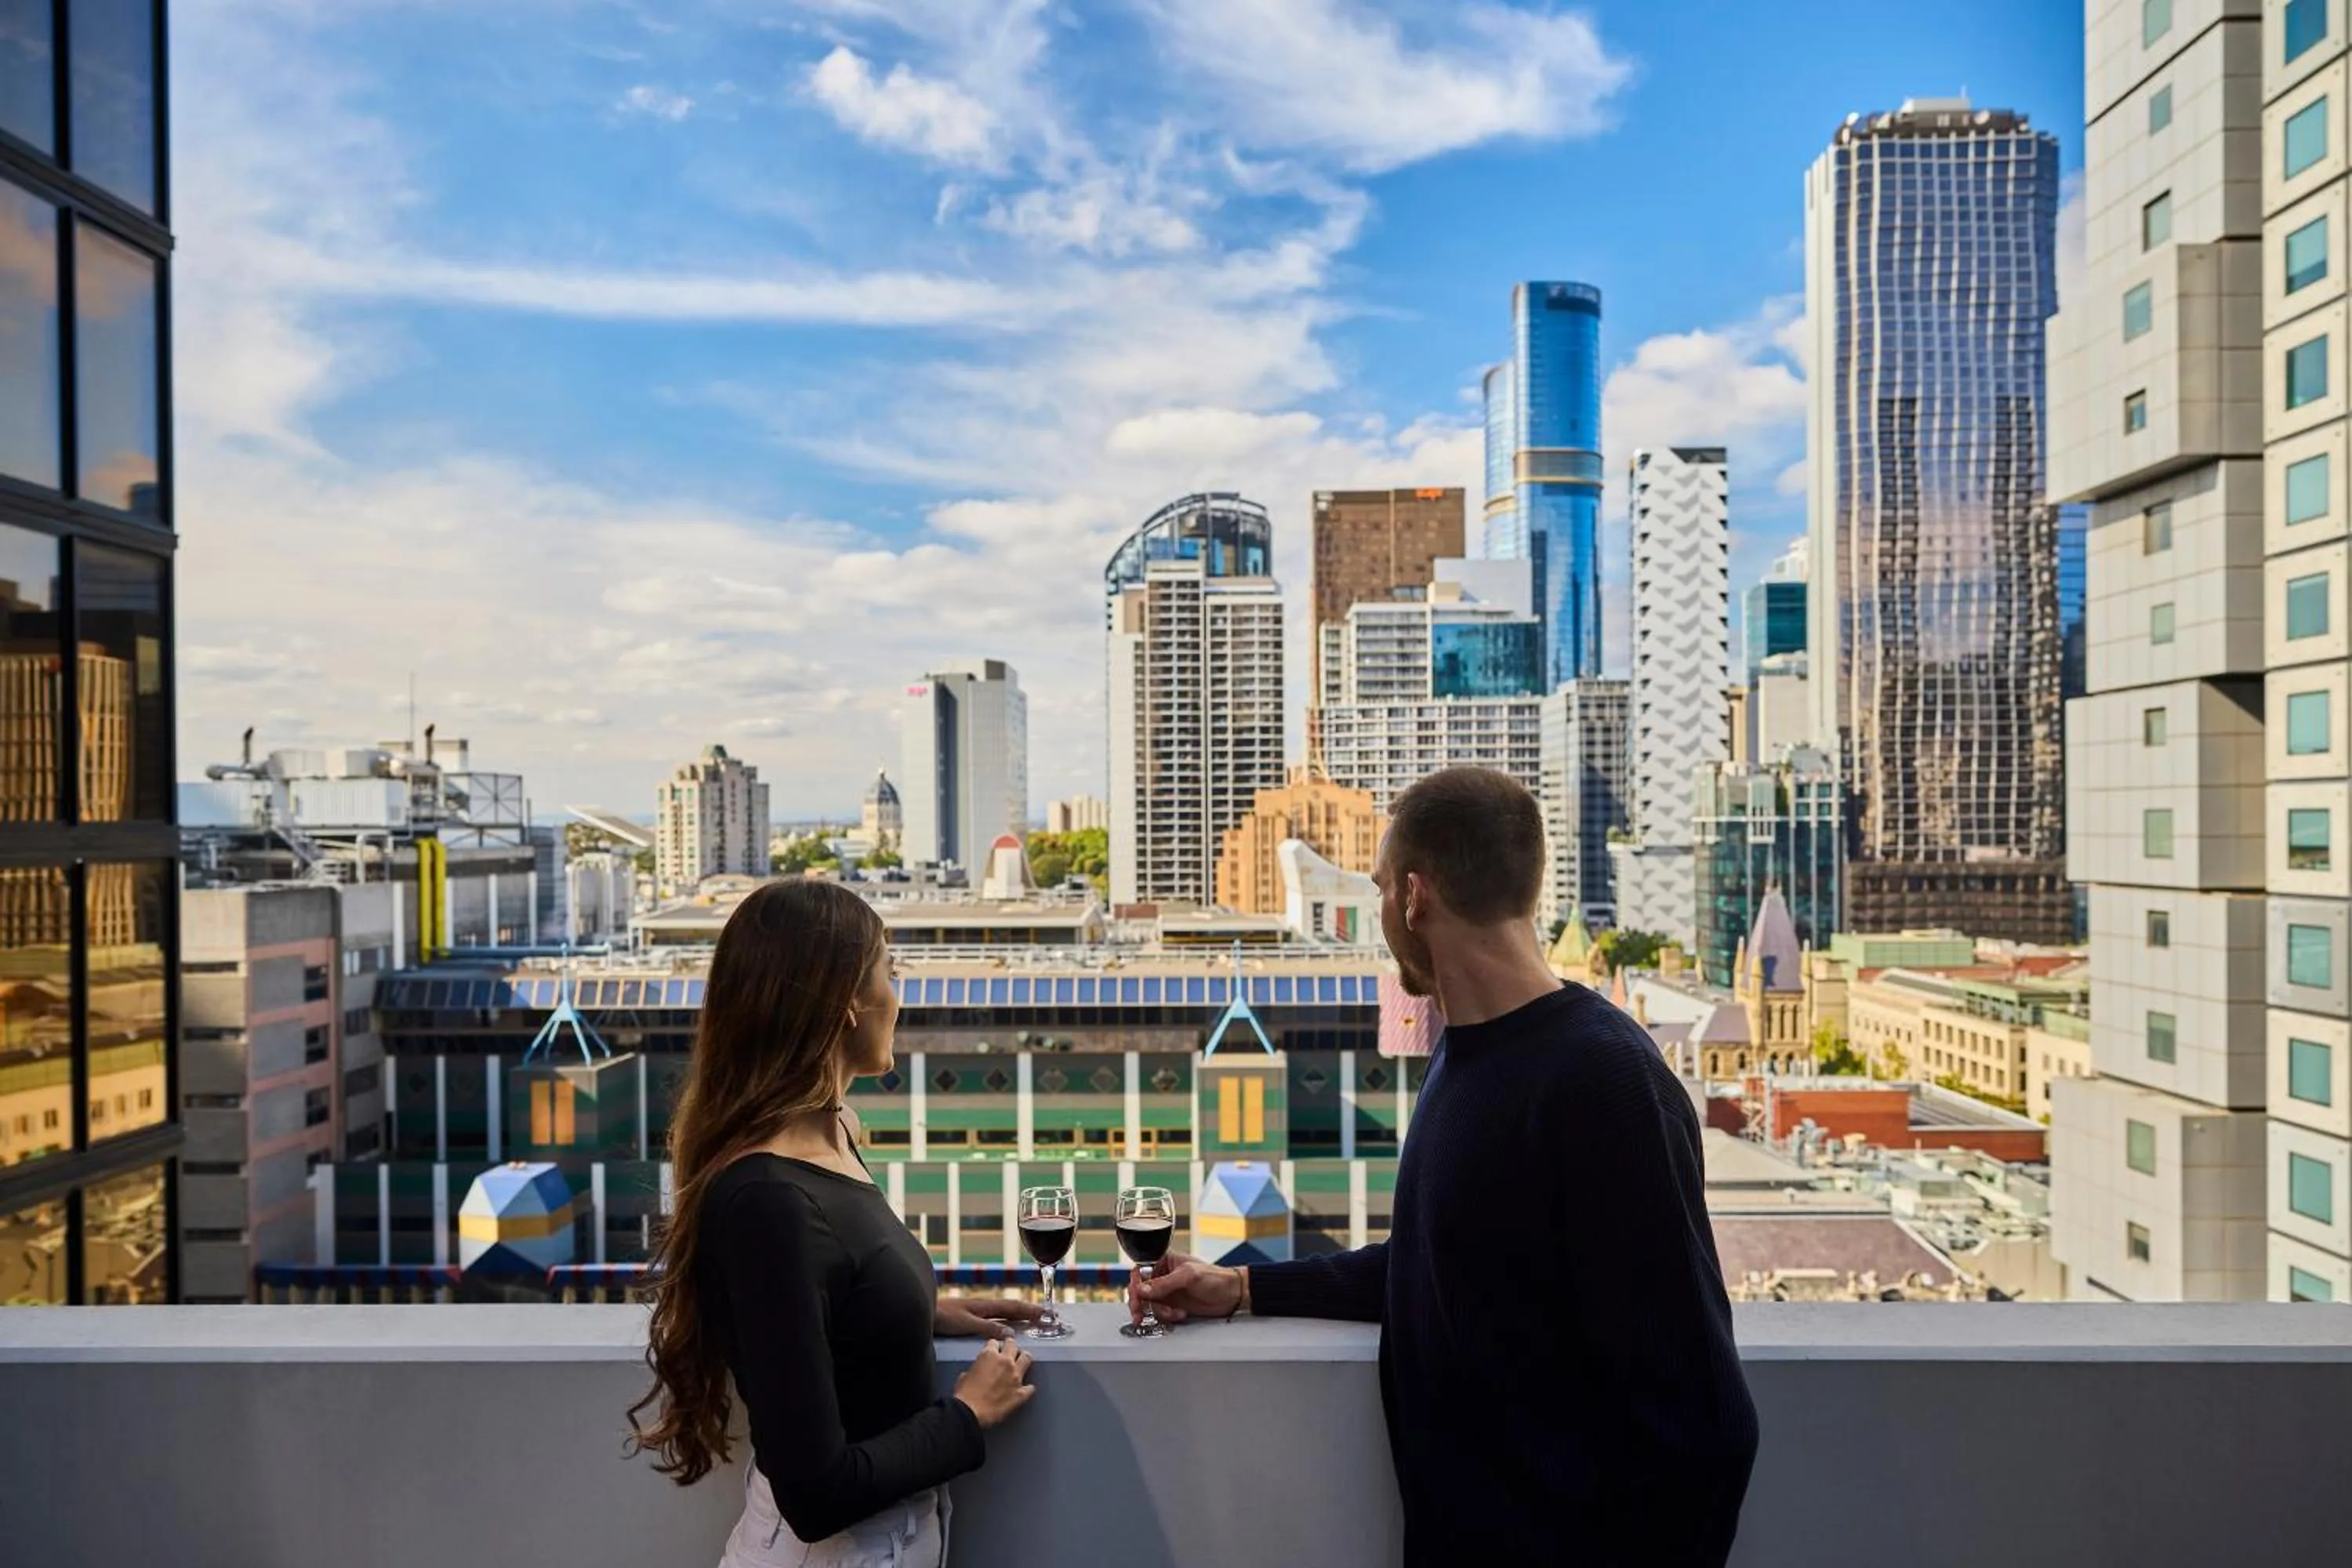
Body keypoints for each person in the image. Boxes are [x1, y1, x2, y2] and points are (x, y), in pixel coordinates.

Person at [1134, 767, 1759, 1563]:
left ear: (1413, 896)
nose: (1380, 908)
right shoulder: (1465, 1053)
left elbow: (1709, 1428)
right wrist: (1244, 1287)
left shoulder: (1606, 1083)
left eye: (1378, 886)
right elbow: (1441, 1263)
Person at [630, 879, 1041, 1566]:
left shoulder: (834, 1135)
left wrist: (914, 1310)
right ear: (848, 999)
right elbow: (816, 1493)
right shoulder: (767, 1201)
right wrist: (968, 1414)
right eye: (890, 971)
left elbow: (831, 1286)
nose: (899, 996)